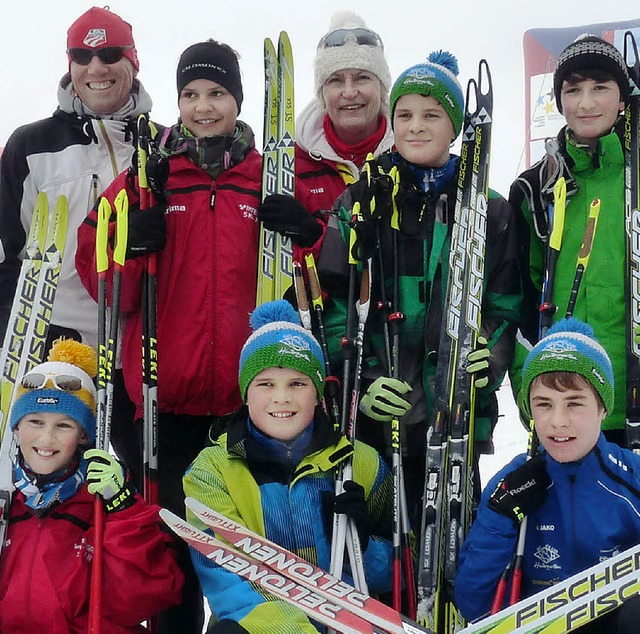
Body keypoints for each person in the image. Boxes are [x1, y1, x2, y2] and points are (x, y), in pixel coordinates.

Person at [76, 38, 263, 633]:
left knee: (245, 557)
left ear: (238, 98)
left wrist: (305, 234)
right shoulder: (148, 177)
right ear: (177, 100)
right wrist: (130, 242)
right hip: (162, 401)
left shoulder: (262, 178)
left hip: (248, 406)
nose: (203, 107)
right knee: (171, 554)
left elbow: (306, 273)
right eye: (190, 94)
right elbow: (107, 279)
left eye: (217, 93)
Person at [317, 51, 522, 512]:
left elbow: (506, 307)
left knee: (447, 551)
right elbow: (332, 310)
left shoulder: (492, 212)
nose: (416, 126)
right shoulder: (360, 202)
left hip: (455, 418)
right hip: (378, 421)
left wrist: (488, 357)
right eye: (404, 115)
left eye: (432, 115)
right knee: (380, 553)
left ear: (454, 127)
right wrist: (363, 384)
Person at [183, 300, 395, 633]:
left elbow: (399, 575)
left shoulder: (361, 463)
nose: (281, 398)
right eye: (265, 384)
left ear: (317, 394)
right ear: (246, 393)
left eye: (297, 384)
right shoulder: (212, 472)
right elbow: (230, 582)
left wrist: (366, 546)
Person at [455, 318, 640, 632]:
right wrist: (501, 517)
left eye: (574, 404)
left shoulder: (631, 478)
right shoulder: (511, 483)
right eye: (543, 404)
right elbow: (475, 606)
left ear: (603, 407)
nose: (557, 421)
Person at [0, 338, 183, 633]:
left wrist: (123, 507)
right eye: (35, 422)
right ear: (17, 427)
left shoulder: (101, 499)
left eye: (64, 426)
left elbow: (142, 597)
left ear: (84, 435)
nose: (47, 440)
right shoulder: (8, 497)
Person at [0, 6, 152, 351]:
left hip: (140, 348)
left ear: (133, 61)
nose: (96, 68)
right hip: (52, 344)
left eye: (110, 54)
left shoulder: (161, 145)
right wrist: (12, 337)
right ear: (70, 66)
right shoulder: (30, 146)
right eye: (82, 56)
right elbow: (6, 253)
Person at [509, 35, 631, 445]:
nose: (586, 103)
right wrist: (534, 388)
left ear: (621, 98)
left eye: (600, 88)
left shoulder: (634, 179)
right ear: (559, 100)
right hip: (566, 402)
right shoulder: (534, 188)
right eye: (573, 90)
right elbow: (521, 299)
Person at [257, 11, 394, 259]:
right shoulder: (291, 166)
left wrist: (317, 233)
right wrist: (310, 239)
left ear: (382, 89)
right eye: (336, 81)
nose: (349, 92)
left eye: (362, 78)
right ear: (322, 95)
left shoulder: (405, 160)